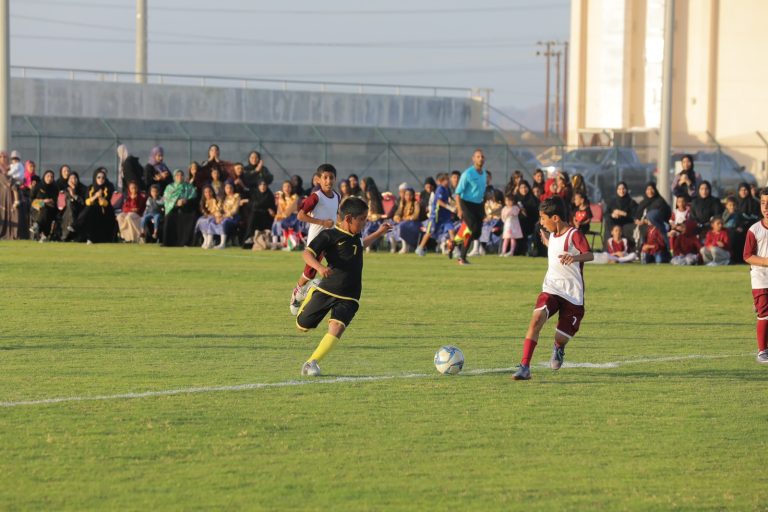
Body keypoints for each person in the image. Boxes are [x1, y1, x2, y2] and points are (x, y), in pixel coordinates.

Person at [297, 196, 393, 376]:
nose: (365, 223)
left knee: (337, 328)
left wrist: (379, 232)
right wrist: (319, 268)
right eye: (362, 219)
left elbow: (360, 245)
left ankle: (311, 363)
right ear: (348, 218)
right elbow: (307, 254)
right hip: (327, 289)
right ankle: (311, 289)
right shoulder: (329, 235)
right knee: (303, 325)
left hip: (351, 294)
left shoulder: (356, 235)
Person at [512, 196, 594, 381]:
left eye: (543, 218)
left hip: (572, 295)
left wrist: (574, 258)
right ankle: (524, 367)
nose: (541, 222)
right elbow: (556, 248)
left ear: (555, 218)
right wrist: (549, 242)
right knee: (536, 320)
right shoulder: (553, 236)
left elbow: (589, 255)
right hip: (551, 288)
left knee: (561, 336)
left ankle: (558, 346)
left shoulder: (574, 234)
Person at [289, 164, 340, 314]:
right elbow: (300, 215)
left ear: (335, 179)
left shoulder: (337, 196)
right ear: (318, 179)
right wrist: (322, 222)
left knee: (338, 265)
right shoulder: (316, 197)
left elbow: (335, 215)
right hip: (317, 238)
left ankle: (329, 296)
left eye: (331, 177)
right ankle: (297, 292)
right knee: (310, 272)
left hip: (331, 238)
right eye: (325, 177)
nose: (328, 181)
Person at [743, 188, 768, 363]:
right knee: (765, 313)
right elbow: (747, 255)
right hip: (760, 277)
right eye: (763, 203)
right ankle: (762, 351)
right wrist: (766, 261)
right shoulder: (754, 229)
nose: (766, 207)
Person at [453, 149, 488, 265]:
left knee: (477, 233)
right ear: (473, 159)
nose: (480, 159)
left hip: (478, 205)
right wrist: (459, 209)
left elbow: (481, 192)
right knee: (472, 228)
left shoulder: (484, 174)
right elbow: (458, 193)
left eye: (482, 157)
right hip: (466, 204)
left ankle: (454, 243)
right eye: (478, 156)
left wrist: (484, 206)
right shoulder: (467, 174)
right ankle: (461, 258)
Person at [416, 172, 454, 257]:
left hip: (445, 216)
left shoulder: (447, 189)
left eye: (448, 179)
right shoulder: (439, 189)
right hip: (435, 216)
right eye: (446, 180)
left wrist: (454, 206)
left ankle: (455, 249)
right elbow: (438, 201)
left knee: (451, 230)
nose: (448, 181)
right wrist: (449, 207)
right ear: (440, 181)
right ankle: (420, 248)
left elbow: (449, 200)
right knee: (429, 232)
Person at [75, 168, 118, 244]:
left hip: (105, 210)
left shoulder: (108, 188)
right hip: (92, 209)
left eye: (103, 178)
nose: (101, 179)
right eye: (99, 177)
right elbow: (87, 202)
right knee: (90, 209)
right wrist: (95, 196)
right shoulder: (90, 187)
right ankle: (89, 237)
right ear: (95, 177)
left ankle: (76, 225)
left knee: (91, 210)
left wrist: (100, 197)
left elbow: (105, 203)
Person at [162, 169, 198, 247]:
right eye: (177, 175)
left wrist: (185, 201)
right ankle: (170, 242)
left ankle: (186, 242)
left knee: (191, 217)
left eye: (181, 175)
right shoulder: (169, 187)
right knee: (169, 217)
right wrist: (176, 203)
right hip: (173, 208)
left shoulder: (189, 186)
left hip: (186, 207)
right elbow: (166, 199)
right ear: (174, 177)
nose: (180, 177)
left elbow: (194, 197)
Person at [668, 195, 700, 265]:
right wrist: (675, 227)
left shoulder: (688, 211)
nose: (681, 203)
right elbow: (671, 222)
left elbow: (689, 222)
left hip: (686, 229)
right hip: (677, 229)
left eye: (683, 201)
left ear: (686, 202)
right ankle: (672, 251)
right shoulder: (675, 212)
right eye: (679, 202)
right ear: (677, 203)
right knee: (672, 235)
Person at [29, 169, 58, 242]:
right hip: (36, 208)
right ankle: (45, 234)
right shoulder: (38, 186)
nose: (49, 178)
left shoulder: (55, 188)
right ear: (44, 177)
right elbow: (32, 199)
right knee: (44, 209)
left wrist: (47, 202)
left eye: (51, 177)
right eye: (48, 176)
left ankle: (37, 226)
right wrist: (43, 202)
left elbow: (54, 200)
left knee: (47, 210)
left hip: (50, 208)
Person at [390, 187, 420, 253]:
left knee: (401, 226)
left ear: (413, 195)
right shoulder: (403, 203)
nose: (408, 197)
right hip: (403, 222)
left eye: (410, 195)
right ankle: (393, 247)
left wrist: (406, 218)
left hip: (413, 223)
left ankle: (405, 247)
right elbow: (398, 213)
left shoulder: (415, 203)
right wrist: (397, 217)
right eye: (406, 195)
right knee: (390, 226)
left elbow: (416, 215)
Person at [0, 151, 21, 240]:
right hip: (1, 195)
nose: (3, 159)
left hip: (11, 195)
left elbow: (15, 184)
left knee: (13, 213)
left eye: (5, 157)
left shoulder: (12, 168)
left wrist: (16, 200)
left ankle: (12, 233)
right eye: (1, 157)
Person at [272, 180, 300, 247]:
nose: (287, 188)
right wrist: (277, 217)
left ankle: (284, 242)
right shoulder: (280, 198)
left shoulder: (295, 197)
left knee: (281, 223)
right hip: (283, 217)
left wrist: (281, 216)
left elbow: (290, 210)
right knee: (275, 223)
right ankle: (275, 243)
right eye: (285, 186)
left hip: (293, 217)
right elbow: (279, 210)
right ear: (282, 188)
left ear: (291, 188)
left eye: (288, 186)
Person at [60, 171, 86, 241]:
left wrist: (73, 195)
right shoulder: (64, 191)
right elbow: (62, 204)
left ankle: (71, 228)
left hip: (80, 211)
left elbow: (83, 202)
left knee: (72, 206)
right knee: (70, 204)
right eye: (71, 178)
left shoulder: (83, 189)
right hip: (66, 211)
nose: (73, 180)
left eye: (75, 178)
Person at [196, 185, 221, 249]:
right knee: (200, 220)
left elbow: (218, 209)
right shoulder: (203, 201)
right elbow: (203, 210)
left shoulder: (216, 200)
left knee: (210, 221)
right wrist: (206, 214)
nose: (208, 194)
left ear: (212, 192)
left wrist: (213, 214)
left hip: (216, 216)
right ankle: (206, 239)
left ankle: (210, 240)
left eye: (209, 191)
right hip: (207, 216)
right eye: (206, 192)